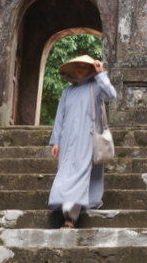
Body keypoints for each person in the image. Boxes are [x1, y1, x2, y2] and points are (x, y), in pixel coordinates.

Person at [48, 54, 117, 229]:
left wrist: (102, 74)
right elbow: (59, 118)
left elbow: (111, 94)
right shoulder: (67, 92)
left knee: (79, 174)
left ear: (90, 70)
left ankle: (70, 217)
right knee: (67, 173)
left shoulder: (96, 87)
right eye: (77, 67)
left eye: (84, 67)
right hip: (67, 139)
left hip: (87, 138)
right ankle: (72, 204)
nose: (80, 70)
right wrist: (55, 141)